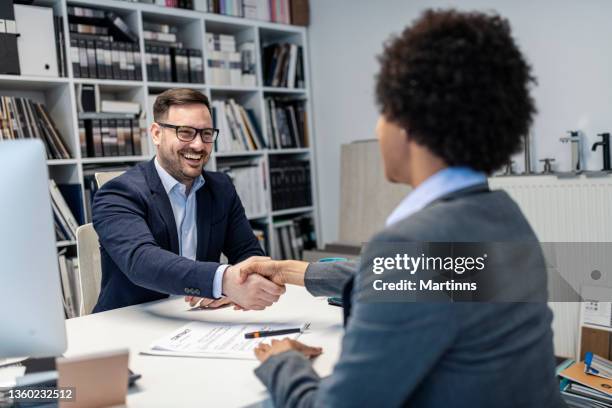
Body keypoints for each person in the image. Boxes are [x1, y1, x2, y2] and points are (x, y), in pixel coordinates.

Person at [239, 10, 565, 407]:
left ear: (408, 122)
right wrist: (285, 270)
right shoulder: (504, 216)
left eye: (384, 112)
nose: (378, 129)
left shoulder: (411, 244)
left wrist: (284, 364)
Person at [92, 88, 284, 313]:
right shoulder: (118, 193)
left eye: (206, 134)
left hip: (199, 319)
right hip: (130, 322)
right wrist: (221, 281)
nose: (198, 145)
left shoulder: (220, 188)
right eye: (185, 132)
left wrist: (240, 284)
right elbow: (142, 262)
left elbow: (249, 254)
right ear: (156, 134)